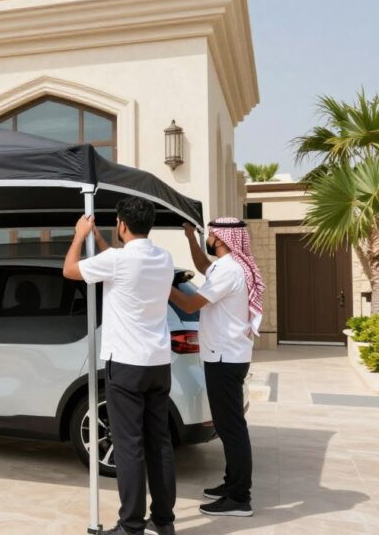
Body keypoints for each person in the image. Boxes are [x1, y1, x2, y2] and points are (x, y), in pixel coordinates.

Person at [63, 197, 177, 535]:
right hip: (158, 363)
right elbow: (115, 261)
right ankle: (163, 522)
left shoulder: (117, 260)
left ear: (123, 225)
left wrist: (78, 235)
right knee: (159, 443)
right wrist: (98, 238)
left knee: (129, 446)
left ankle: (130, 526)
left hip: (126, 365)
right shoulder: (164, 257)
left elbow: (70, 270)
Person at [169, 218, 264, 518]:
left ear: (222, 238)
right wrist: (189, 237)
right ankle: (232, 485)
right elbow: (202, 265)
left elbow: (188, 304)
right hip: (226, 356)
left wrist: (160, 283)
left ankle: (239, 498)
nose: (208, 238)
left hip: (225, 358)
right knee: (228, 427)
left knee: (232, 428)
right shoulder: (227, 266)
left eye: (210, 235)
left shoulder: (230, 271)